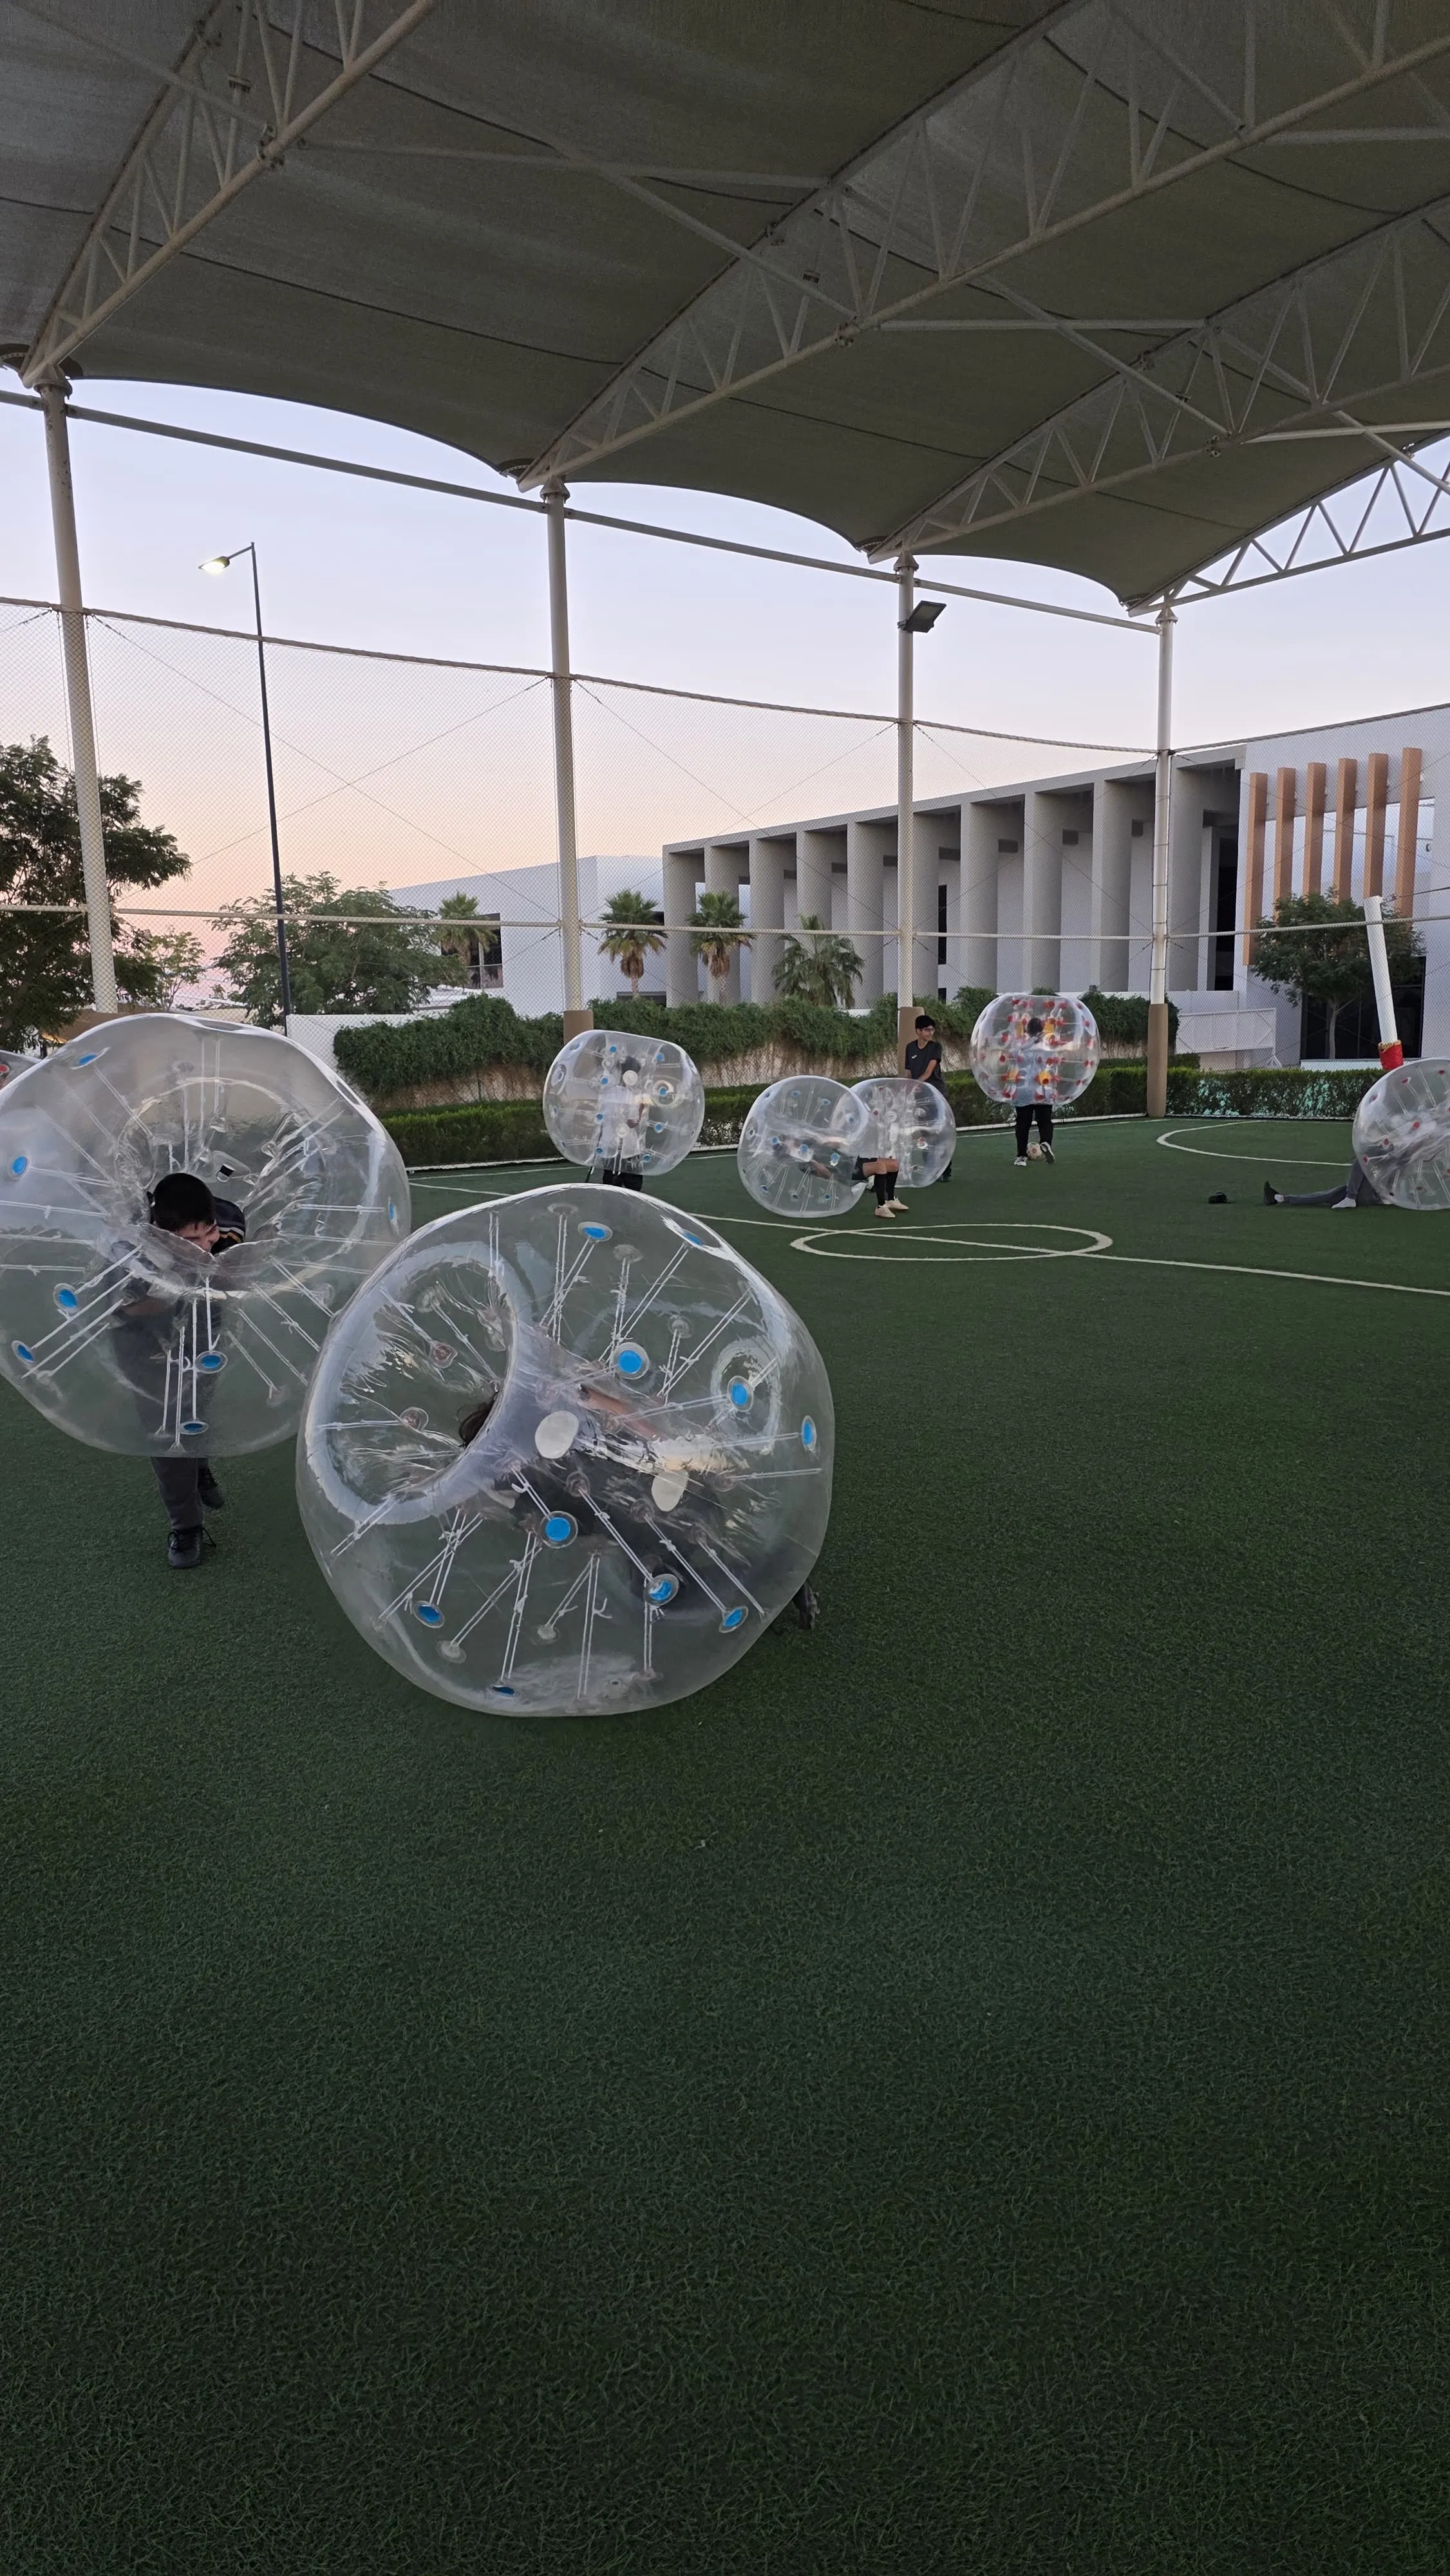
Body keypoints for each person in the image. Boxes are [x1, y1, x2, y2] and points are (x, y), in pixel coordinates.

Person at [114, 1172, 244, 1570]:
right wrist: (173, 1285)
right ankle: (186, 1526)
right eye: (192, 1242)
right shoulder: (128, 1252)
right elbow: (126, 1309)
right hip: (145, 1344)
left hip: (204, 1332)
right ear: (161, 1235)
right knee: (165, 1428)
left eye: (209, 1234)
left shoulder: (227, 1223)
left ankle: (199, 1465)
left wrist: (210, 1271)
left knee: (197, 1408)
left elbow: (237, 1273)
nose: (207, 1245)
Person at [903, 1010, 952, 1182]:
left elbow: (929, 1071)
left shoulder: (935, 1048)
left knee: (939, 1131)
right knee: (924, 1133)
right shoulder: (910, 1048)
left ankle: (945, 1170)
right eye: (927, 1030)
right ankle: (930, 1168)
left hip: (936, 1094)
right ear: (918, 1031)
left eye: (932, 1030)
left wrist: (917, 1084)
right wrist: (906, 1088)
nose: (930, 1033)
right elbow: (908, 1072)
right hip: (919, 1096)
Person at [591, 1055, 646, 1189]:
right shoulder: (630, 1096)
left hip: (608, 1145)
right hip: (627, 1148)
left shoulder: (607, 1093)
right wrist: (642, 1107)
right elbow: (632, 1122)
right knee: (632, 1184)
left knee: (610, 1180)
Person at [1010, 1014, 1055, 1166]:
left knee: (1023, 1123)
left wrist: (1030, 1041)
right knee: (1045, 1121)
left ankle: (1021, 1156)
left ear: (1027, 1030)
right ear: (1042, 1029)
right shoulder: (1046, 1046)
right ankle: (1046, 1142)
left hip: (1025, 1089)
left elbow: (1013, 1056)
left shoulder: (1021, 1046)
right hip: (1043, 1088)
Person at [1261, 1158, 1384, 1209]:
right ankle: (1279, 1198)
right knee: (1326, 1196)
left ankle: (1350, 1197)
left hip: (1371, 1196)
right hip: (1372, 1195)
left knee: (1362, 1161)